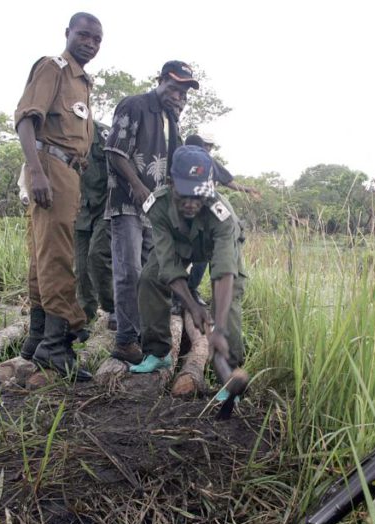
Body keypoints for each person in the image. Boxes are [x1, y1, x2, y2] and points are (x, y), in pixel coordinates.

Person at [14, 12, 103, 381]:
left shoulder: (83, 82)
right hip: (49, 167)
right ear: (68, 33)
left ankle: (37, 339)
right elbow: (25, 118)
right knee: (58, 256)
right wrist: (36, 171)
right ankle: (55, 346)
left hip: (68, 173)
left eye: (97, 39)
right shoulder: (53, 68)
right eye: (84, 35)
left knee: (44, 254)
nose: (90, 43)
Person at [104, 60, 199, 365]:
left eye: (184, 92)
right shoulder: (135, 105)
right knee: (129, 270)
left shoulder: (172, 121)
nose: (178, 96)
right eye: (174, 87)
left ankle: (149, 339)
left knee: (150, 275)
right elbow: (115, 151)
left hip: (155, 211)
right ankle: (125, 340)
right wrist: (137, 186)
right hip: (128, 202)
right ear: (159, 80)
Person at [132, 145, 246, 377]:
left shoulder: (222, 214)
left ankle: (230, 371)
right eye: (185, 194)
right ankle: (158, 352)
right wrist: (192, 307)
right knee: (149, 278)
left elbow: (224, 272)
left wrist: (219, 327)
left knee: (228, 298)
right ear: (170, 182)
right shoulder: (158, 206)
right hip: (178, 246)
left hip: (216, 247)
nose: (192, 203)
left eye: (199, 195)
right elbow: (168, 265)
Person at [178, 133, 261, 311]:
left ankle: (195, 292)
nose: (208, 149)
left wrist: (247, 189)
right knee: (185, 255)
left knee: (213, 254)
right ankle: (182, 295)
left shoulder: (209, 161)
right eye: (206, 145)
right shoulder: (180, 158)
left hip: (205, 212)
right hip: (183, 213)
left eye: (210, 146)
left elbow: (227, 180)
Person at [74, 121, 116, 329]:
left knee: (97, 256)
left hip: (105, 206)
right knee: (81, 267)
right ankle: (85, 315)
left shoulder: (102, 133)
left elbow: (117, 166)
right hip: (81, 207)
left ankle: (113, 307)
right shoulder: (63, 133)